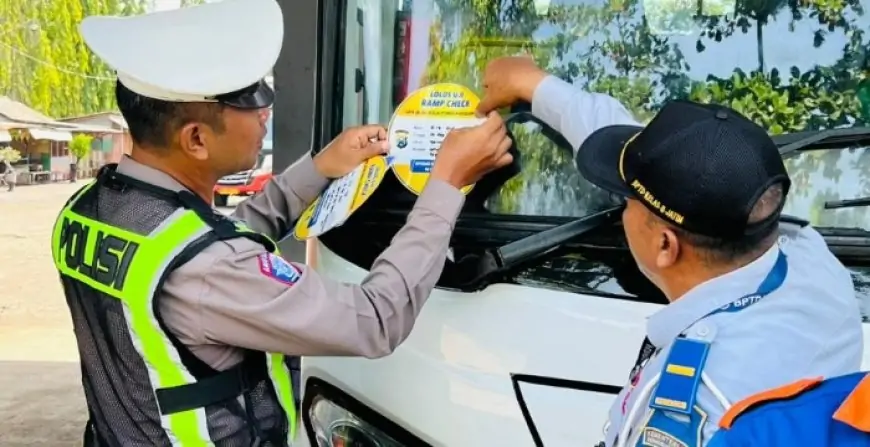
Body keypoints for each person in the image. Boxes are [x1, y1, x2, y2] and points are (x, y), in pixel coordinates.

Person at [51, 1, 513, 446]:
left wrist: (320, 168)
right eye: (251, 99)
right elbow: (373, 319)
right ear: (195, 138)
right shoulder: (210, 270)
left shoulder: (89, 211)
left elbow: (215, 239)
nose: (265, 111)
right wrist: (448, 183)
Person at [477, 56, 864, 447]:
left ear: (666, 245)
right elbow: (665, 156)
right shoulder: (811, 259)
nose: (621, 206)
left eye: (626, 200)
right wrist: (536, 86)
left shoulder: (693, 410)